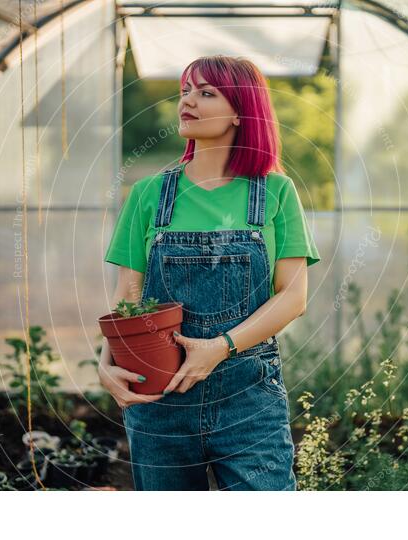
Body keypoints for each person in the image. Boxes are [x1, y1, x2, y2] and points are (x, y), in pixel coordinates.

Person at [99, 55, 320, 490]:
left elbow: (292, 297)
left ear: (240, 110)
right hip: (159, 398)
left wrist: (220, 347)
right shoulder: (148, 195)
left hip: (248, 401)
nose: (188, 101)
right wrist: (106, 362)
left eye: (206, 92)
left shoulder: (275, 192)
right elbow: (128, 300)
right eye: (185, 90)